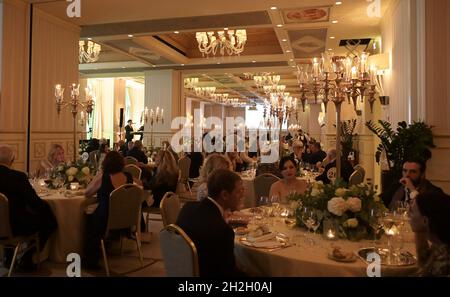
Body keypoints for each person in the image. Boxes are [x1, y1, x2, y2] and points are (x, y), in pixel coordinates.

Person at [176, 169, 245, 276]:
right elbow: (228, 275)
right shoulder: (223, 231)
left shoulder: (187, 207)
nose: (242, 195)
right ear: (225, 195)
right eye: (239, 191)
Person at [0, 145, 57, 270]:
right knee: (50, 221)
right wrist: (47, 208)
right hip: (15, 226)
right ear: (12, 160)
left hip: (3, 225)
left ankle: (8, 257)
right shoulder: (17, 177)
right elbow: (35, 203)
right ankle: (27, 258)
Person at [83, 151, 141, 269]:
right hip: (127, 220)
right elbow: (140, 185)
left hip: (106, 220)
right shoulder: (128, 177)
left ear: (105, 163)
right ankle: (107, 246)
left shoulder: (103, 177)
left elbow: (87, 193)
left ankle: (91, 260)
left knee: (88, 217)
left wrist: (96, 177)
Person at [409, 191, 450, 276]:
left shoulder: (444, 261)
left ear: (425, 221)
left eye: (411, 212)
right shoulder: (439, 244)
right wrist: (419, 231)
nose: (409, 216)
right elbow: (424, 262)